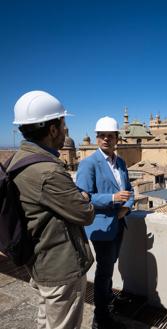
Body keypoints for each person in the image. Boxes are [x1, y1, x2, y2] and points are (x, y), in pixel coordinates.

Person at [10, 90, 95, 329]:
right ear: (53, 129)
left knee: (46, 321)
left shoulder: (17, 160)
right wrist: (83, 196)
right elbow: (85, 214)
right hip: (60, 266)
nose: (67, 130)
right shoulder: (48, 171)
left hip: (39, 259)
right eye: (63, 123)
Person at [76, 116, 134, 329]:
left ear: (117, 138)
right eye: (102, 136)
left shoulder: (120, 162)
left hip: (119, 223)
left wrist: (126, 207)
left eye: (110, 136)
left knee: (109, 267)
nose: (106, 139)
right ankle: (100, 318)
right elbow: (83, 196)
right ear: (96, 138)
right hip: (101, 227)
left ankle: (106, 303)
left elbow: (129, 189)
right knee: (104, 271)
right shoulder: (88, 163)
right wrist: (111, 199)